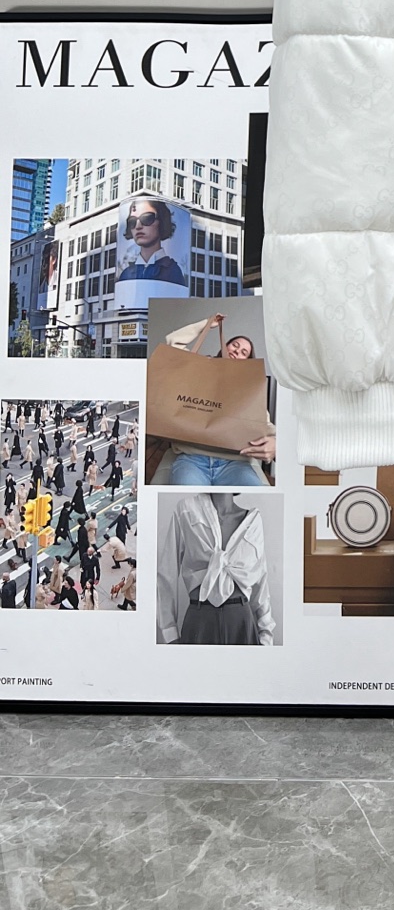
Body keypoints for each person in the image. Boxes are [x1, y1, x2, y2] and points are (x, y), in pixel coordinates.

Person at [162, 315, 277, 488]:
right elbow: (173, 343)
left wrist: (276, 442)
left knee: (259, 500)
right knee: (186, 500)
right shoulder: (199, 368)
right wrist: (206, 324)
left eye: (243, 352)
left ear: (247, 362)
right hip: (191, 460)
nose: (237, 351)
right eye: (235, 345)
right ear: (225, 345)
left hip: (235, 465)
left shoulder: (249, 388)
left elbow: (263, 423)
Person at [156, 493, 274, 645]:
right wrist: (169, 633)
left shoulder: (253, 521)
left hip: (241, 621)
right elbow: (167, 572)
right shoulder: (186, 510)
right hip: (199, 619)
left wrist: (266, 634)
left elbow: (260, 579)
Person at [115, 199, 187, 290]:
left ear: (161, 221)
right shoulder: (126, 274)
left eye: (147, 218)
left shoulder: (173, 271)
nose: (138, 226)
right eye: (132, 221)